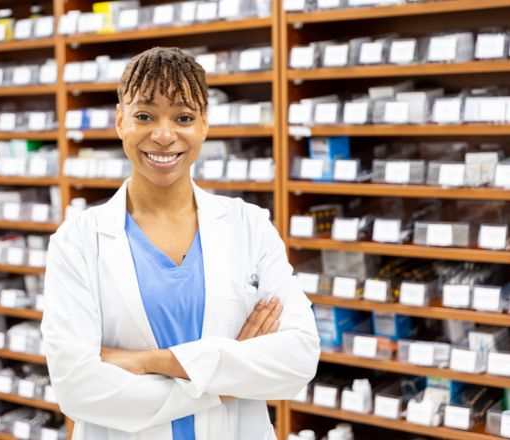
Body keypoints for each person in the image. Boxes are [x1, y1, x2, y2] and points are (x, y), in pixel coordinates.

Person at [41, 47, 320, 440]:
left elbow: (297, 360)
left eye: (184, 117)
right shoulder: (77, 242)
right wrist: (223, 383)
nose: (164, 134)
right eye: (144, 116)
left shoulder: (249, 226)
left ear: (204, 124)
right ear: (120, 121)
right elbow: (77, 388)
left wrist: (152, 362)